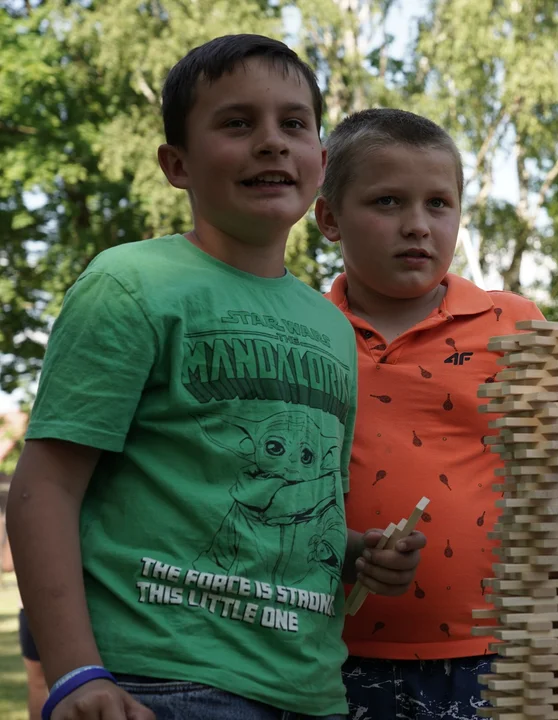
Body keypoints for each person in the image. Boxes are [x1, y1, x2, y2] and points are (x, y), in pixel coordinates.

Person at [6, 35, 424, 720]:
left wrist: (356, 555)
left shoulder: (329, 327)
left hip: (313, 692)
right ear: (177, 164)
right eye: (237, 123)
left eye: (294, 124)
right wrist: (76, 674)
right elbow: (44, 487)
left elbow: (288, 502)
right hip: (161, 683)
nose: (271, 143)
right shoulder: (131, 283)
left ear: (320, 161)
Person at [314, 108, 558, 720]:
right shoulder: (300, 333)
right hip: (330, 657)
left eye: (439, 204)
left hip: (505, 659)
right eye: (388, 202)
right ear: (328, 219)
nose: (418, 225)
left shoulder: (517, 327)